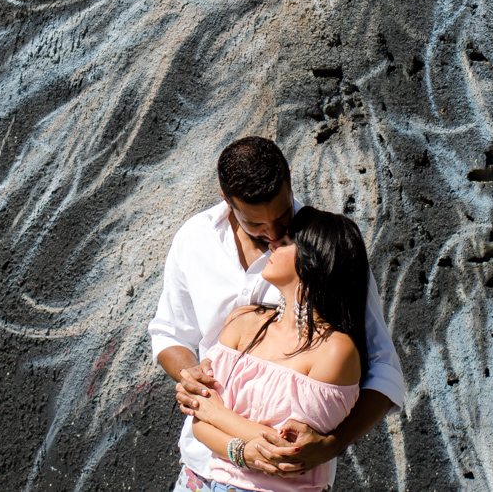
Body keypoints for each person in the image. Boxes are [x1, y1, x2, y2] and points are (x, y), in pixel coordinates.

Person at [149, 137, 403, 491]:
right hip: (199, 465)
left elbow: (384, 370)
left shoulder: (321, 249)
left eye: (282, 221)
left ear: (289, 183)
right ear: (227, 200)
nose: (271, 235)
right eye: (255, 225)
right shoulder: (194, 239)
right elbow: (170, 333)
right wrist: (190, 376)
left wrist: (331, 444)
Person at [190, 206, 369, 492]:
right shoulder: (243, 322)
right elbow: (199, 420)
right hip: (206, 484)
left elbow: (290, 451)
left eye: (286, 243)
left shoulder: (336, 351)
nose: (271, 244)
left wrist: (218, 415)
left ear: (314, 261)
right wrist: (243, 451)